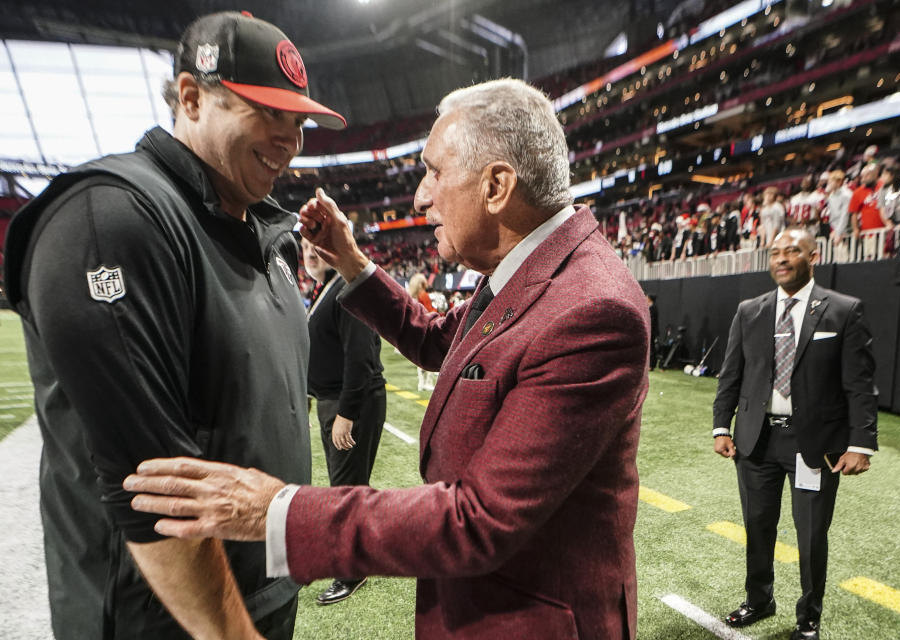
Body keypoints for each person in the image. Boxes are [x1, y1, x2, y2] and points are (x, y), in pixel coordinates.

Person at [125, 78, 650, 640]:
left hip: (534, 619)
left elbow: (479, 522)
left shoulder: (591, 310)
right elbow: (434, 340)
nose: (421, 196)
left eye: (434, 172)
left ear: (496, 185)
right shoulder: (528, 264)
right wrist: (351, 263)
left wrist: (275, 512)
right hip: (481, 601)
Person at [2, 11, 346, 640]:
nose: (290, 140)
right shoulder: (110, 217)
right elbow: (154, 491)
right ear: (191, 96)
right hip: (161, 618)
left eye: (297, 122)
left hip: (259, 593)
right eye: (268, 113)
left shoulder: (263, 233)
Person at [712, 228, 877, 640]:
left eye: (792, 251)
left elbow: (859, 384)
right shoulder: (749, 310)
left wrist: (861, 444)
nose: (782, 258)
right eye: (775, 253)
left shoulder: (843, 309)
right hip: (756, 440)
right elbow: (731, 375)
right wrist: (721, 426)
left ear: (813, 256)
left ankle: (809, 618)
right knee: (758, 525)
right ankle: (759, 599)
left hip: (816, 445)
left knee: (811, 535)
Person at [301, 236, 386, 606]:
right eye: (305, 247)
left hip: (351, 403)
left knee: (346, 489)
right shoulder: (329, 287)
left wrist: (346, 414)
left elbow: (360, 360)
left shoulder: (347, 289)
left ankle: (351, 571)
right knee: (347, 485)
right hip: (333, 400)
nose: (310, 253)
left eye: (317, 246)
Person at [407, 272, 438, 391]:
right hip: (426, 327)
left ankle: (421, 383)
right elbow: (430, 310)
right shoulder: (424, 295)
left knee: (419, 358)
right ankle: (428, 383)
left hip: (414, 329)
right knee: (431, 356)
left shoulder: (410, 296)